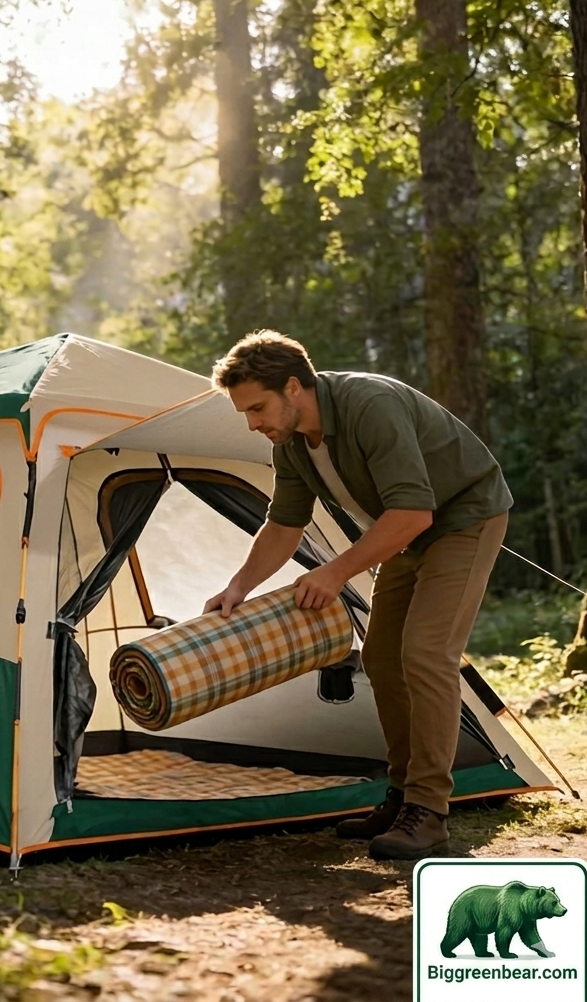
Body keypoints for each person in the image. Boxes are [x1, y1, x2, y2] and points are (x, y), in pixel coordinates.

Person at [204, 330, 512, 861]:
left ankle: (430, 814)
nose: (253, 423)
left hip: (463, 518)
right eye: (245, 413)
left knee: (425, 654)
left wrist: (335, 572)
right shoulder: (292, 443)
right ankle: (403, 794)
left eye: (257, 408)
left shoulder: (371, 405)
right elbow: (283, 524)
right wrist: (237, 587)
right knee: (382, 659)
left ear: (294, 387)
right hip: (406, 532)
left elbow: (415, 512)